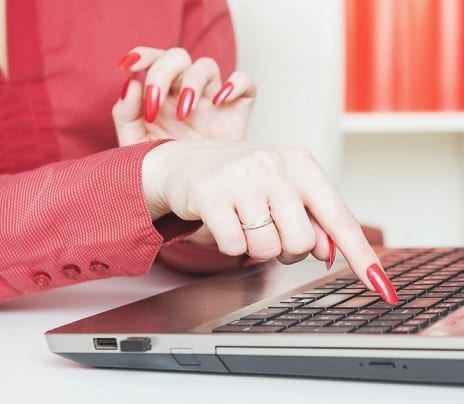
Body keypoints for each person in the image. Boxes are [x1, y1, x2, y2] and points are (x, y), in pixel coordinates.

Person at [0, 0, 398, 304]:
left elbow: (185, 241)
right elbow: (154, 177)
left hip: (137, 314)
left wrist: (199, 213)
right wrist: (146, 178)